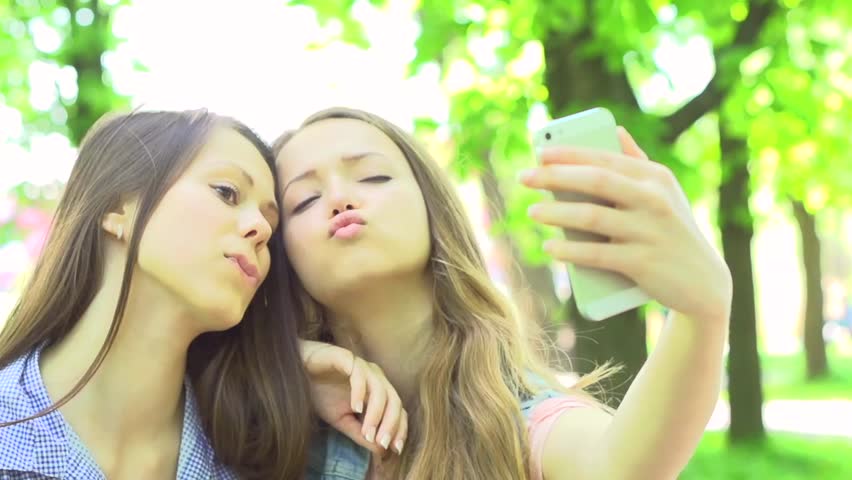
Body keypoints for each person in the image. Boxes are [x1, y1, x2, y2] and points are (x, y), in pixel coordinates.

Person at [273, 107, 733, 480]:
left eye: (373, 177)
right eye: (304, 201)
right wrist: (285, 363)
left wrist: (703, 312)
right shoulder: (263, 422)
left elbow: (619, 468)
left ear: (436, 213)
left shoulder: (519, 422)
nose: (338, 198)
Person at [0, 109, 405, 479]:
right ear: (118, 206)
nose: (261, 231)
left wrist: (288, 370)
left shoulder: (261, 454)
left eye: (271, 222)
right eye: (227, 192)